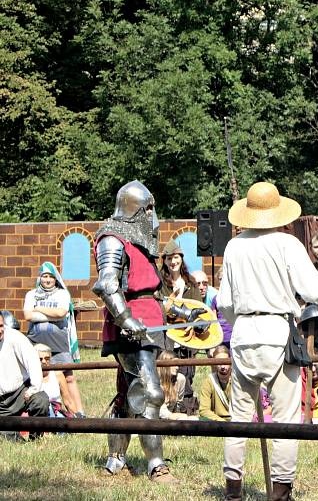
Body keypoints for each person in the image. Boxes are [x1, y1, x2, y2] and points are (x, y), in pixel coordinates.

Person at [217, 181, 318, 501]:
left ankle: (233, 491)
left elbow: (226, 302)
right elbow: (313, 290)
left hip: (244, 334)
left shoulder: (234, 247)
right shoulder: (287, 244)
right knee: (286, 418)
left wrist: (241, 324)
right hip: (277, 333)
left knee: (239, 417)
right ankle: (281, 492)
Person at [93, 180, 176, 483]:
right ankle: (156, 464)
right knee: (150, 392)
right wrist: (126, 319)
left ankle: (116, 461)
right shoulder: (112, 237)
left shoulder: (139, 241)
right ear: (133, 208)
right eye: (148, 208)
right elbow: (108, 284)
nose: (152, 215)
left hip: (150, 322)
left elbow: (148, 288)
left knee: (130, 394)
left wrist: (174, 308)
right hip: (131, 328)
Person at [23, 262, 86, 417]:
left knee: (68, 377)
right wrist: (52, 315)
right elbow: (27, 316)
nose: (48, 280)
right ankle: (39, 411)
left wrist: (38, 309)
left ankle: (79, 413)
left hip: (59, 343)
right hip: (36, 343)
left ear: (56, 278)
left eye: (51, 276)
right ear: (40, 278)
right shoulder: (31, 294)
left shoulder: (62, 294)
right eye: (45, 276)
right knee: (35, 376)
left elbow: (62, 313)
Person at [158, 239, 204, 413]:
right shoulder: (160, 284)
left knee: (186, 375)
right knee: (166, 375)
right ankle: (165, 409)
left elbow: (199, 310)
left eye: (176, 257)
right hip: (167, 339)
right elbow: (160, 307)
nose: (173, 262)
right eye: (169, 258)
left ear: (181, 259)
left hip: (187, 340)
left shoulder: (191, 284)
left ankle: (183, 410)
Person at [0, 317, 50, 423]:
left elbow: (33, 361)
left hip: (20, 393)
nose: (0, 330)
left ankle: (36, 438)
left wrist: (34, 389)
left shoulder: (15, 337)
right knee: (9, 437)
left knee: (40, 400)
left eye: (1, 326)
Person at [33, 343, 77, 417]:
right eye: (40, 359)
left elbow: (68, 401)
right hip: (36, 414)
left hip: (56, 415)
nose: (44, 361)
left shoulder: (57, 375)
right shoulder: (29, 376)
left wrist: (78, 421)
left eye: (47, 359)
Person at [198, 345, 232, 421]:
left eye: (225, 361)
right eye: (219, 362)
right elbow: (204, 410)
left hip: (237, 420)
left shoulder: (238, 380)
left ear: (230, 361)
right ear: (214, 363)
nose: (223, 366)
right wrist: (222, 422)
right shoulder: (209, 381)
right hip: (217, 422)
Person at [156, 350, 192, 420]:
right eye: (174, 364)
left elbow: (178, 403)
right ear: (165, 364)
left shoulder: (180, 379)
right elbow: (158, 408)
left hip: (171, 418)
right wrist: (173, 416)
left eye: (178, 365)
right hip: (156, 418)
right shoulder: (155, 380)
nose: (177, 367)